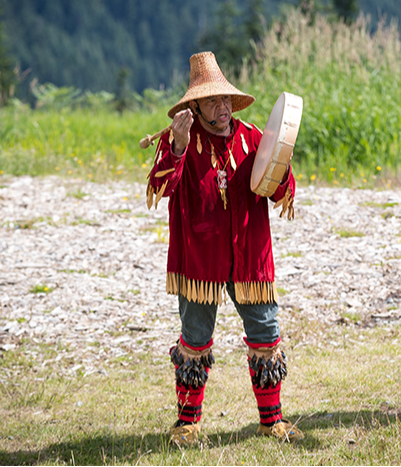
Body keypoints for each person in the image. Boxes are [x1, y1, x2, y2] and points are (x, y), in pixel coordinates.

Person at [145, 51, 302, 445]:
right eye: (213, 100)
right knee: (195, 337)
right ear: (195, 107)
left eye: (226, 98)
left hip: (250, 256)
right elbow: (161, 187)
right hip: (199, 259)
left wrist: (280, 161)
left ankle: (272, 420)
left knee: (266, 332)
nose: (223, 106)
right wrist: (178, 148)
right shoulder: (178, 140)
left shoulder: (254, 138)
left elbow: (280, 191)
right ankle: (187, 423)